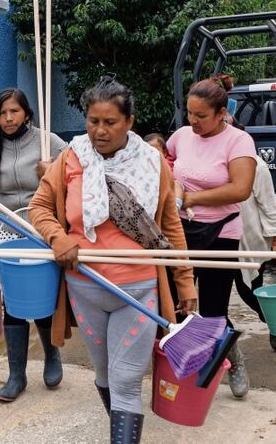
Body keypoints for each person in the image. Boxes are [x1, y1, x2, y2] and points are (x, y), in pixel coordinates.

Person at [30, 76, 196, 444]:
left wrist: (185, 282)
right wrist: (58, 237)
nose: (99, 131)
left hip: (137, 289)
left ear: (129, 122)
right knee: (105, 375)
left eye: (110, 122)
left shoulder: (153, 163)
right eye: (93, 121)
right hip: (84, 287)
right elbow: (39, 207)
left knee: (125, 379)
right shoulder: (70, 158)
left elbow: (170, 226)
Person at [0, 88, 67, 402]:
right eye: (2, 113)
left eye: (14, 111)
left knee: (40, 300)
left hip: (42, 232)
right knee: (13, 303)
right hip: (7, 234)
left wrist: (53, 169)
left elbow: (78, 174)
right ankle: (16, 376)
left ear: (27, 113)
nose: (8, 118)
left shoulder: (49, 142)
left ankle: (52, 356)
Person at [166, 75, 257, 398]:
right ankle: (185, 371)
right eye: (190, 114)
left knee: (214, 310)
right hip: (179, 231)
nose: (193, 121)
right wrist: (174, 189)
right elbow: (167, 164)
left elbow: (240, 189)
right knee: (178, 304)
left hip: (221, 232)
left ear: (222, 113)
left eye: (201, 116)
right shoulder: (180, 136)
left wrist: (191, 199)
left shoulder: (238, 141)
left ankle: (233, 359)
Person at [234, 151, 276, 351]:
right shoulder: (207, 159)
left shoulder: (256, 166)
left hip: (248, 239)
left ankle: (273, 321)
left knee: (248, 290)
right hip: (214, 236)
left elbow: (269, 205)